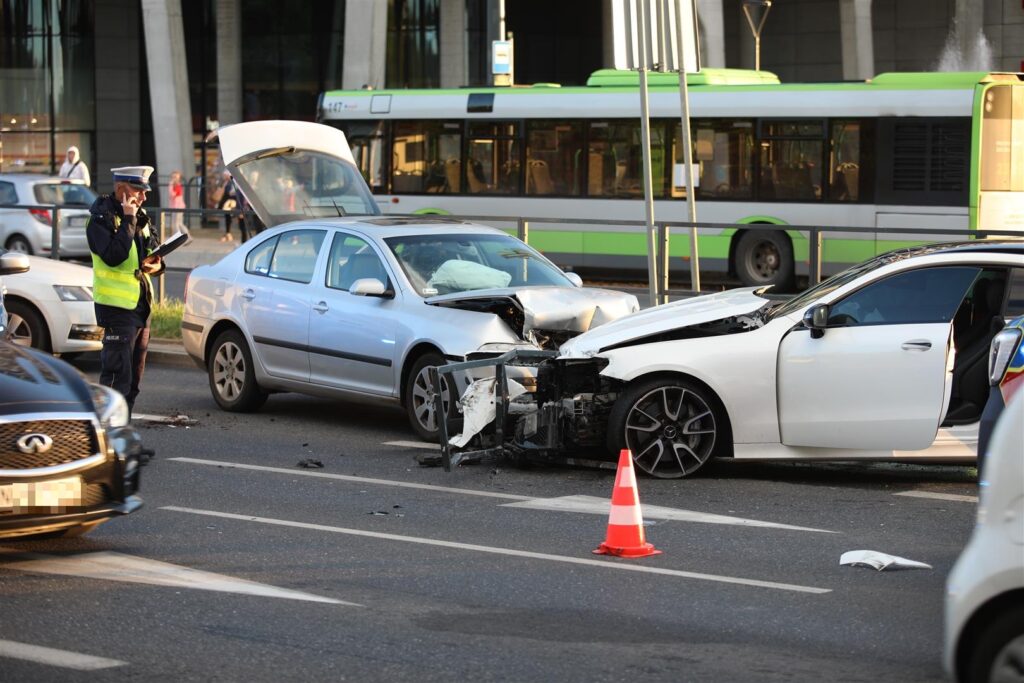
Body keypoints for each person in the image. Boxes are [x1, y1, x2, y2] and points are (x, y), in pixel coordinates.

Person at [86, 166, 165, 418]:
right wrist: (129, 220)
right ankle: (106, 432)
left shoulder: (140, 217)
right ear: (121, 189)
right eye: (138, 191)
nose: (143, 198)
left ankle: (123, 429)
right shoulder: (101, 218)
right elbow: (113, 256)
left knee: (133, 378)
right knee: (116, 377)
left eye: (145, 192)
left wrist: (157, 264)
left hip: (141, 305)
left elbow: (151, 253)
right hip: (116, 307)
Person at [216, 171, 239, 242]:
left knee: (230, 217)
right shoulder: (226, 182)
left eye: (225, 175)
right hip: (227, 202)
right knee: (228, 217)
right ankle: (228, 233)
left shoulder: (233, 181)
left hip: (232, 201)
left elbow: (232, 192)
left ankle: (228, 234)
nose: (224, 177)